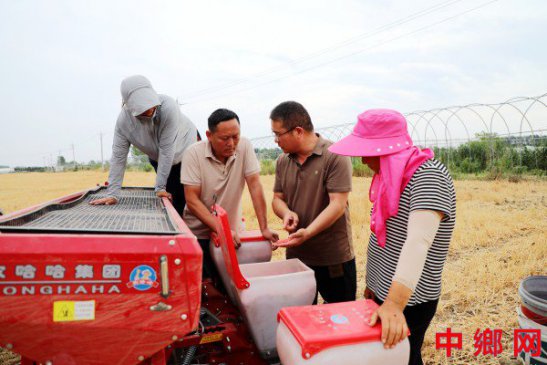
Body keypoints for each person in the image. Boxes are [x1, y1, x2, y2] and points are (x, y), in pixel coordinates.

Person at [328, 109, 456, 365]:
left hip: (410, 298)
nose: (363, 160)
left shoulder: (428, 176)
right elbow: (382, 238)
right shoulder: (389, 178)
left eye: (367, 151)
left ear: (384, 149)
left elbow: (418, 242)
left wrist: (394, 304)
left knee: (404, 357)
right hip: (383, 291)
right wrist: (373, 285)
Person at [270, 101, 356, 304]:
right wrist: (286, 213)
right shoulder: (283, 161)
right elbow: (277, 199)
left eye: (278, 134)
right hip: (297, 256)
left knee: (340, 316)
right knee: (302, 318)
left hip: (332, 257)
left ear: (298, 131)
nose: (275, 140)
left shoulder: (335, 155)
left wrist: (308, 233)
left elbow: (337, 204)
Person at [181, 108, 278, 279]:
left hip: (233, 233)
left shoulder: (245, 146)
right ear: (209, 135)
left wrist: (264, 228)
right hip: (199, 234)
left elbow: (255, 186)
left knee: (235, 284)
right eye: (225, 138)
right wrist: (220, 229)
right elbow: (192, 200)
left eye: (235, 136)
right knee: (208, 288)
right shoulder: (193, 154)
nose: (232, 144)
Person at [90, 75, 198, 216]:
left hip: (186, 149)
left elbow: (167, 149)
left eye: (151, 106)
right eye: (143, 109)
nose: (149, 110)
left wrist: (159, 187)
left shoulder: (168, 107)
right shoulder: (123, 123)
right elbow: (118, 158)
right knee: (172, 199)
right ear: (128, 105)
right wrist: (113, 194)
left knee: (191, 199)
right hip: (160, 158)